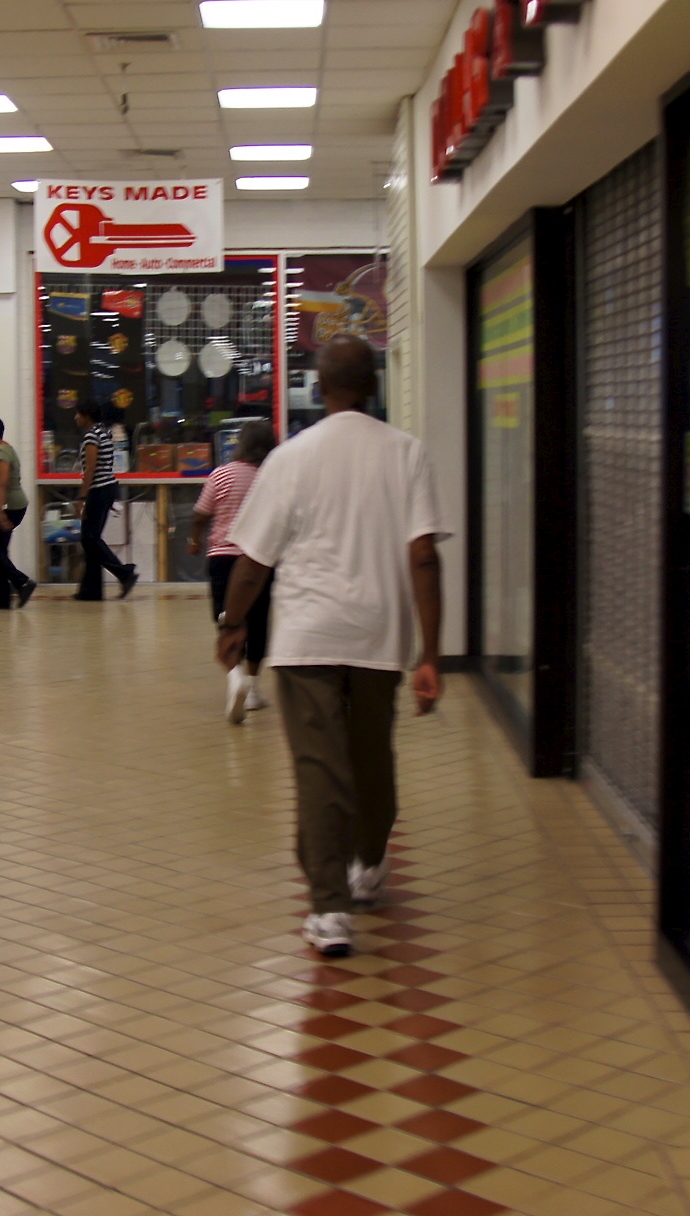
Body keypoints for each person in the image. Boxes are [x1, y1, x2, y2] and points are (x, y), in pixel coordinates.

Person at [216, 335, 446, 959]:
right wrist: (431, 654)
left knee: (321, 770)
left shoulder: (291, 458)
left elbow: (252, 559)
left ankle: (329, 910)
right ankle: (368, 865)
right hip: (380, 637)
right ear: (373, 386)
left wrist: (232, 623)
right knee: (373, 761)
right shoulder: (407, 453)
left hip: (305, 638)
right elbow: (423, 556)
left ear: (319, 388)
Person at [195, 422, 278, 722]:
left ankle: (235, 676)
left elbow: (201, 513)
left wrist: (194, 539)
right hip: (260, 558)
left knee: (227, 620)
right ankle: (253, 688)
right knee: (258, 620)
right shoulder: (272, 477)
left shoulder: (221, 474)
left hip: (222, 559)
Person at [72, 403, 138, 601]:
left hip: (98, 489)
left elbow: (90, 469)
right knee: (91, 538)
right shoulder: (104, 432)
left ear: (87, 416)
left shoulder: (92, 435)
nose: (75, 418)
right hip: (108, 487)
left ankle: (124, 573)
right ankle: (90, 591)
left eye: (78, 413)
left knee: (89, 538)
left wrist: (81, 498)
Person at [0, 415, 36, 610]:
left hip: (6, 506)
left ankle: (22, 582)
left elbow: (1, 485)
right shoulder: (4, 449)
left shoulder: (1, 454)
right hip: (12, 505)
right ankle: (3, 597)